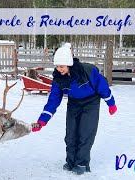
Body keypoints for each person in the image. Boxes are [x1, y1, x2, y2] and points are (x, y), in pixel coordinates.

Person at [31, 43, 117, 175]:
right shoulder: (58, 79)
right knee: (71, 135)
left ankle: (82, 163)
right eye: (57, 66)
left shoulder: (87, 71)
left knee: (86, 133)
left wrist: (111, 103)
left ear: (69, 64)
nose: (59, 69)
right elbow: (53, 100)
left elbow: (103, 87)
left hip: (91, 102)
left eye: (62, 66)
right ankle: (71, 161)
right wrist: (42, 121)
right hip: (74, 103)